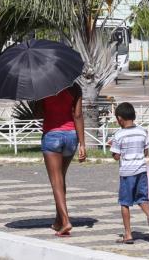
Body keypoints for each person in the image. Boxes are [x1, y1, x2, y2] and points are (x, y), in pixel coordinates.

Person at [34, 84, 86, 236]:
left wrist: (36, 100)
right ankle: (58, 220)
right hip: (71, 136)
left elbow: (38, 114)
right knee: (61, 178)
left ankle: (65, 221)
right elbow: (78, 115)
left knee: (56, 181)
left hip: (52, 135)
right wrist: (82, 144)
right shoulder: (75, 87)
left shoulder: (41, 88)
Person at [110, 102, 149, 244]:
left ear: (120, 118)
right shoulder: (142, 131)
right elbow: (145, 151)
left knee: (125, 203)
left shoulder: (119, 135)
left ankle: (128, 234)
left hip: (127, 172)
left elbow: (116, 156)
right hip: (141, 170)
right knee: (142, 198)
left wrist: (112, 148)